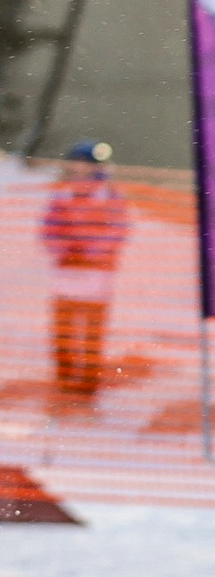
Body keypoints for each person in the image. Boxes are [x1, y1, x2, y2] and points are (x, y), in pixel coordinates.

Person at [41, 142, 129, 406]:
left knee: (92, 330)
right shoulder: (62, 196)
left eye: (86, 164)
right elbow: (49, 229)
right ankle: (65, 374)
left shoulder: (109, 196)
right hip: (66, 277)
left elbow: (117, 230)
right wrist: (65, 249)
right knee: (63, 327)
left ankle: (88, 380)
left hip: (96, 279)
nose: (80, 169)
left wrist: (90, 251)